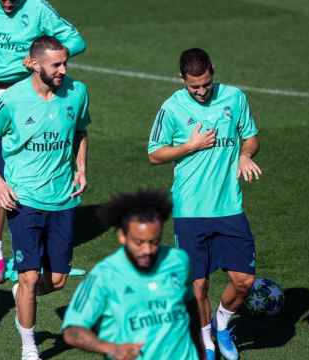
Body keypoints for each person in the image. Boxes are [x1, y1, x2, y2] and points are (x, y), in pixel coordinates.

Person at [0, 35, 90, 360]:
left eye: (65, 62)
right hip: (25, 200)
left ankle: (24, 292)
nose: (64, 69)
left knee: (58, 280)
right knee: (30, 274)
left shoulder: (77, 93)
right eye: (57, 64)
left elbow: (80, 131)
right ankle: (29, 346)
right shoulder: (11, 100)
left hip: (63, 199)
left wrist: (80, 166)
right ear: (35, 64)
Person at [0, 0, 86, 284]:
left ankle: (41, 257)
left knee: (45, 161)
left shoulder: (38, 9)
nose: (8, 3)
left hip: (35, 95)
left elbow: (76, 40)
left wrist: (46, 62)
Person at [147, 48, 262, 360]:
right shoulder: (171, 108)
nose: (200, 91)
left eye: (205, 84)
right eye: (193, 86)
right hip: (190, 211)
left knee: (244, 282)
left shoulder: (235, 98)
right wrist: (190, 146)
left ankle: (222, 323)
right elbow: (154, 153)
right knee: (198, 286)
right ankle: (207, 343)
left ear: (212, 70)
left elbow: (251, 137)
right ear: (181, 78)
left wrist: (245, 154)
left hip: (229, 208)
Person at [62, 190, 203, 360]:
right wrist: (111, 348)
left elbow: (190, 308)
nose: (147, 250)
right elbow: (72, 331)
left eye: (154, 241)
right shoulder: (104, 275)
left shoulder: (178, 260)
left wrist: (201, 352)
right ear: (122, 236)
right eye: (139, 242)